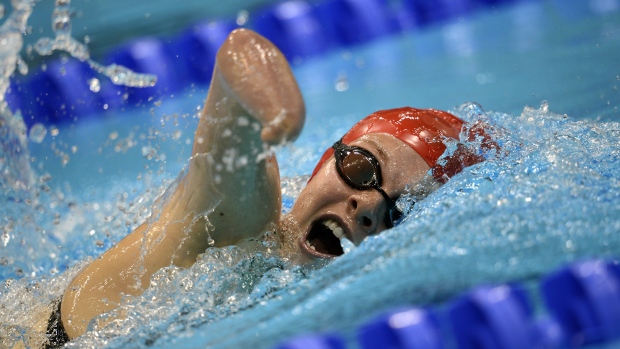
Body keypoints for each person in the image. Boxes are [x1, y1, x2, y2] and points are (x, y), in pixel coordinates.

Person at [47, 28, 495, 346]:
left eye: (401, 211)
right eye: (362, 168)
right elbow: (237, 52)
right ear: (325, 162)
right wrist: (281, 114)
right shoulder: (242, 218)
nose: (366, 208)